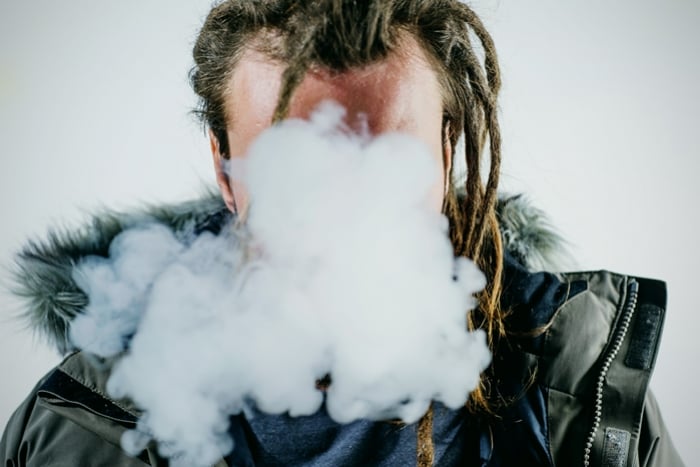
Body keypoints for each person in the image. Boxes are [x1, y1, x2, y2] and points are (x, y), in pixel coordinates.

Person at [0, 1, 684, 466]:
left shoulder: (580, 397)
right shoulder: (79, 423)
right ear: (224, 170)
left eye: (391, 164)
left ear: (447, 153)